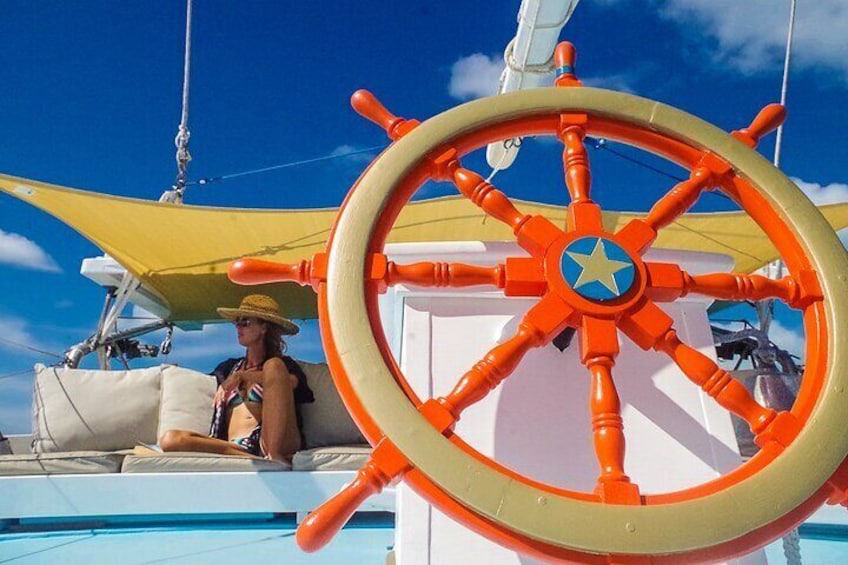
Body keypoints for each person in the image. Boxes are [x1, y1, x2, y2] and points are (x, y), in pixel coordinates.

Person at [159, 294, 314, 463]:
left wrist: (242, 376)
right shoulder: (228, 369)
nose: (238, 327)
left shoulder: (284, 366)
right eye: (237, 322)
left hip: (275, 443)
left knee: (273, 365)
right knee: (171, 439)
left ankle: (272, 456)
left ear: (264, 328)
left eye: (245, 322)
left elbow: (285, 383)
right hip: (235, 447)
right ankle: (252, 459)